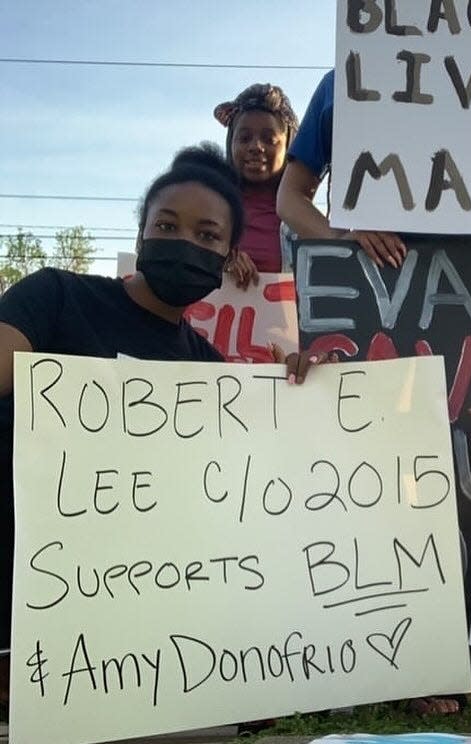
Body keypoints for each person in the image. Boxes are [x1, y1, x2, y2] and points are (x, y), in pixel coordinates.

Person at [0, 144, 323, 705]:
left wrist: (300, 396)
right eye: (168, 225)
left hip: (121, 640)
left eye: (207, 236)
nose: (184, 244)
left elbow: (253, 496)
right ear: (141, 236)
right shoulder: (55, 297)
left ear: (228, 259)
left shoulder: (208, 373)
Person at [276, 70, 407, 269]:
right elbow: (289, 198)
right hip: (372, 274)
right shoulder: (341, 81)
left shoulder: (469, 75)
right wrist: (341, 241)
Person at [214, 83, 300, 288]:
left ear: (288, 145)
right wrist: (218, 266)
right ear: (231, 143)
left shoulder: (305, 222)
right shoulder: (208, 209)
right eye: (244, 138)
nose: (255, 147)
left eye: (269, 139)